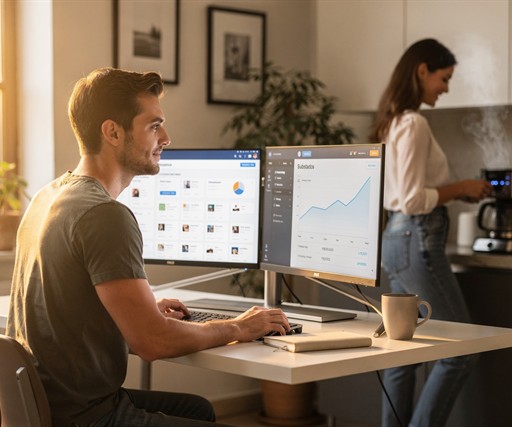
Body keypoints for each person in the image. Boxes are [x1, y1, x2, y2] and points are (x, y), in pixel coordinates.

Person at [6, 67, 291, 427]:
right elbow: (153, 343)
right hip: (84, 416)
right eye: (154, 126)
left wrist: (140, 311)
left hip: (48, 404)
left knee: (199, 410)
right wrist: (238, 327)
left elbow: (63, 312)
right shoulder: (104, 215)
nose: (167, 137)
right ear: (112, 132)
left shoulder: (48, 197)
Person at [369, 39, 492, 427]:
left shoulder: (394, 121)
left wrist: (456, 191)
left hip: (398, 239)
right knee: (463, 349)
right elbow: (411, 199)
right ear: (422, 70)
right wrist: (461, 188)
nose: (446, 87)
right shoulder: (414, 122)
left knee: (401, 351)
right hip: (416, 237)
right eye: (445, 78)